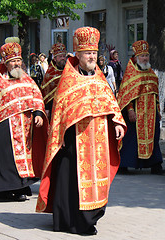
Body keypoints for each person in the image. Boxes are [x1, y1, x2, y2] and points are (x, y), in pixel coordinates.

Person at [36, 27, 126, 235]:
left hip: (99, 140)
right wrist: (60, 134)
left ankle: (91, 216)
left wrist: (118, 122)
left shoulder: (100, 78)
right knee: (73, 181)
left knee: (97, 180)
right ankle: (72, 221)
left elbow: (111, 104)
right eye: (88, 53)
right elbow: (60, 112)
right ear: (77, 54)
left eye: (94, 53)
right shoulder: (69, 80)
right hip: (74, 141)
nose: (92, 57)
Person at [0, 37, 48, 202]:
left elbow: (37, 96)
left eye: (19, 60)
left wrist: (38, 114)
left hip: (25, 130)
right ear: (6, 64)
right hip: (4, 129)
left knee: (24, 159)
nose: (17, 64)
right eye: (13, 61)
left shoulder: (27, 79)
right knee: (6, 159)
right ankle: (5, 189)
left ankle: (21, 186)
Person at [117, 40, 164, 175]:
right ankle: (125, 164)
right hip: (135, 114)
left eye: (147, 55)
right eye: (142, 56)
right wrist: (130, 110)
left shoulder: (151, 74)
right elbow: (126, 96)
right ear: (136, 57)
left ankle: (155, 165)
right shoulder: (131, 75)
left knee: (153, 138)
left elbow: (156, 95)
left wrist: (158, 111)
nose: (145, 58)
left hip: (151, 114)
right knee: (131, 139)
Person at [40, 43, 67, 121]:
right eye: (60, 57)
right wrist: (47, 108)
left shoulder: (69, 70)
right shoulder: (50, 74)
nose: (62, 58)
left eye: (64, 56)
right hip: (54, 107)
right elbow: (46, 92)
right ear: (55, 59)